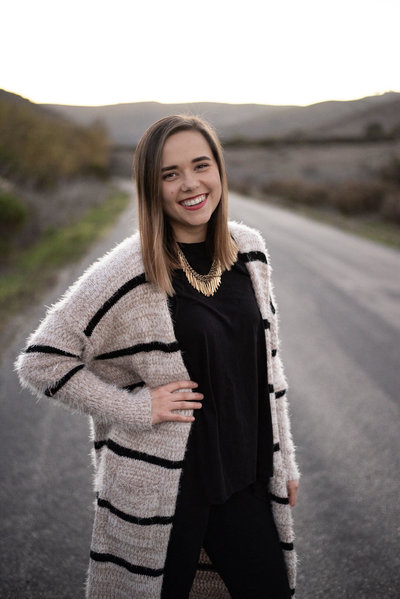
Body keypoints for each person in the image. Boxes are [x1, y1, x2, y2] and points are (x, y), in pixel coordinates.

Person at [14, 114, 300, 599]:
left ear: (219, 171)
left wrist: (285, 461)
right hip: (166, 488)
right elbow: (41, 360)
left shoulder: (249, 252)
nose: (190, 184)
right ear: (152, 187)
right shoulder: (130, 268)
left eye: (200, 165)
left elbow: (267, 368)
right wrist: (136, 408)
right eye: (170, 174)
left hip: (242, 481)